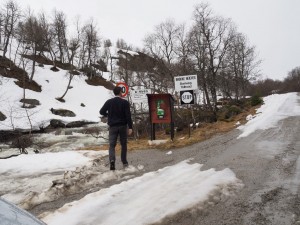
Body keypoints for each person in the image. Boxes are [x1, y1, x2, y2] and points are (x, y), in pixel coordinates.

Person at [100, 86, 133, 170]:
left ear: (114, 93)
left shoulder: (109, 102)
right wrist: (130, 127)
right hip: (122, 126)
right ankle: (124, 161)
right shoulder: (125, 102)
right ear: (120, 93)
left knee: (112, 145)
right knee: (123, 144)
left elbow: (101, 111)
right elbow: (128, 116)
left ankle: (112, 161)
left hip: (112, 127)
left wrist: (108, 115)